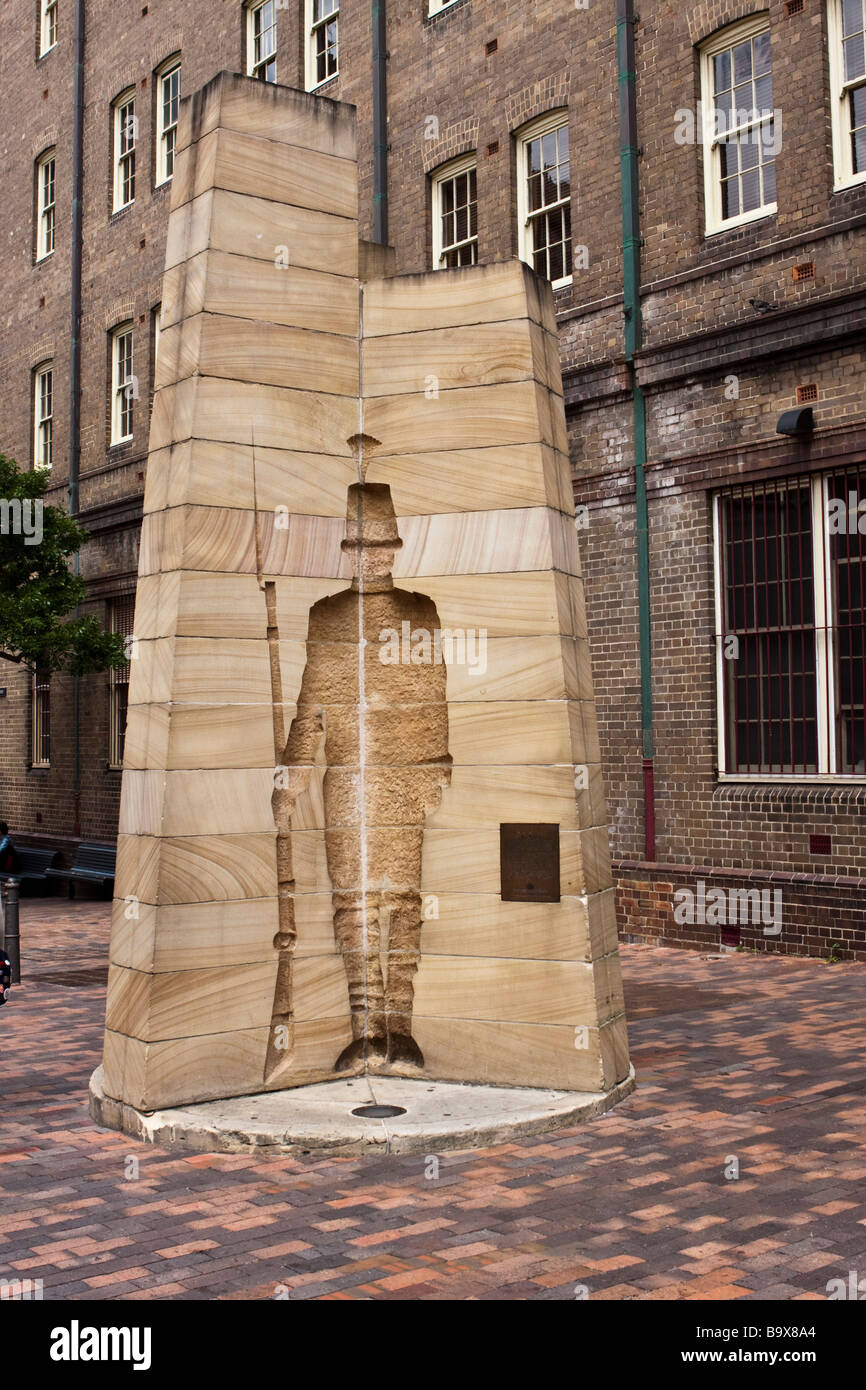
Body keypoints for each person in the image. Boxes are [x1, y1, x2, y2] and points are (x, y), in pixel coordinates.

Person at [271, 483, 451, 1073]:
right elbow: (310, 707)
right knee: (352, 904)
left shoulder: (418, 611)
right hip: (346, 779)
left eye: (382, 546)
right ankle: (365, 1028)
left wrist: (434, 765)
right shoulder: (326, 616)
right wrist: (293, 773)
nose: (373, 556)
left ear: (394, 549)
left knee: (401, 901)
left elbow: (433, 697)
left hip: (406, 776)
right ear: (350, 551)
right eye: (363, 546)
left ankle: (401, 1027)